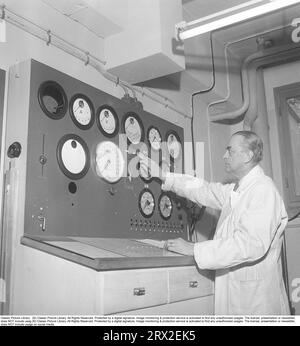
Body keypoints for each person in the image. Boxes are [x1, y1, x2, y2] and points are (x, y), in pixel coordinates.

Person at [139, 131, 290, 315]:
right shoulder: (239, 189)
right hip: (237, 294)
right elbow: (204, 190)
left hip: (256, 301)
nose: (224, 155)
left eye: (230, 151)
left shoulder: (264, 190)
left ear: (248, 155)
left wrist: (194, 249)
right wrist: (164, 176)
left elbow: (249, 244)